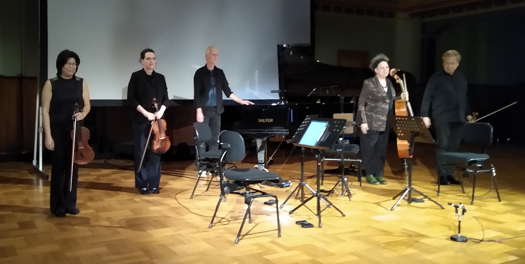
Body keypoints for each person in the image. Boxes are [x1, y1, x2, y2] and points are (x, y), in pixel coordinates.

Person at [42, 49, 91, 217]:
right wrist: (48, 136)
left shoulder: (81, 82)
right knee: (59, 168)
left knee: (74, 167)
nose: (72, 67)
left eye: (75, 64)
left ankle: (71, 203)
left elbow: (87, 105)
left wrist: (83, 114)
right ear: (61, 65)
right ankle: (58, 206)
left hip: (76, 131)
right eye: (69, 63)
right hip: (57, 131)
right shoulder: (51, 83)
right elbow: (45, 112)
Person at [193, 46, 254, 177]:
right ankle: (202, 168)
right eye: (213, 54)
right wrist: (198, 111)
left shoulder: (220, 73)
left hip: (216, 111)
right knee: (202, 140)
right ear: (207, 55)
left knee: (214, 140)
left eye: (216, 55)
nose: (215, 57)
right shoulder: (199, 73)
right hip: (203, 111)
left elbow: (228, 91)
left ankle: (213, 167)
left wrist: (241, 101)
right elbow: (197, 94)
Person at [421, 49, 470, 185]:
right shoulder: (436, 77)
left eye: (452, 63)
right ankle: (442, 176)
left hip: (459, 118)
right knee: (443, 145)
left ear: (458, 64)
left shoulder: (461, 77)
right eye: (446, 63)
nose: (449, 66)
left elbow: (464, 98)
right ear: (443, 63)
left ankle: (449, 174)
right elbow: (427, 97)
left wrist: (468, 114)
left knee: (454, 147)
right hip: (442, 117)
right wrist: (425, 115)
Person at [127, 48, 169, 194]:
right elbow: (131, 99)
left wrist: (160, 111)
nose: (151, 61)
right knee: (141, 152)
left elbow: (165, 99)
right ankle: (142, 184)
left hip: (157, 120)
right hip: (141, 120)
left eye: (153, 58)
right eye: (148, 58)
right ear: (142, 61)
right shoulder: (136, 76)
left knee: (156, 152)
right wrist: (146, 114)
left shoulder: (161, 78)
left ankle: (154, 183)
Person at [357, 54, 396, 185]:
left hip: (385, 123)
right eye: (382, 67)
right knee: (370, 149)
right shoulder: (369, 83)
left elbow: (391, 100)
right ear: (376, 70)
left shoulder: (390, 83)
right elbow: (361, 103)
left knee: (381, 150)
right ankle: (369, 174)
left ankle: (379, 174)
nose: (385, 70)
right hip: (371, 122)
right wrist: (362, 122)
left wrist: (402, 95)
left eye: (387, 67)